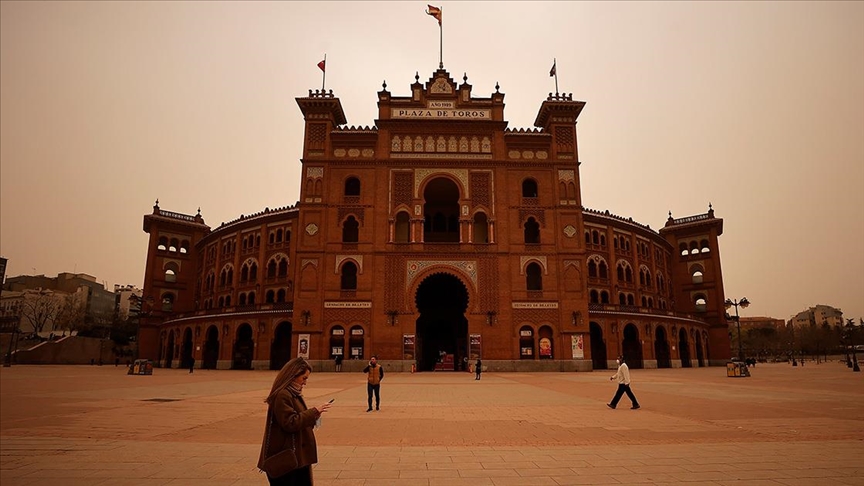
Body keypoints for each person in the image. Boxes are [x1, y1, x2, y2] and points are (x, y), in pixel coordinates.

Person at [258, 357, 332, 486]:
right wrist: (314, 412)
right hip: (288, 458)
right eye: (304, 378)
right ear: (293, 375)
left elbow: (297, 418)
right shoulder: (283, 395)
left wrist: (314, 415)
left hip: (296, 456)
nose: (305, 382)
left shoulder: (292, 393)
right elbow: (290, 423)